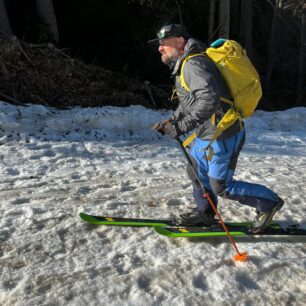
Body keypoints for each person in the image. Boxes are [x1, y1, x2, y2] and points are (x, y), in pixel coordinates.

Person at [148, 24, 284, 233]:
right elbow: (189, 102)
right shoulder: (185, 63)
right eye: (159, 44)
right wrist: (172, 121)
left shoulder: (194, 64)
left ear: (180, 41)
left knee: (222, 186)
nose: (160, 48)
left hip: (222, 134)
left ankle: (269, 203)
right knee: (195, 170)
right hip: (206, 133)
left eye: (164, 43)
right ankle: (205, 214)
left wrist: (181, 126)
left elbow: (208, 99)